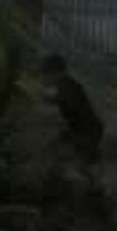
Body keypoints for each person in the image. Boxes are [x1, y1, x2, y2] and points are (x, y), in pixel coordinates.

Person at [39, 54, 104, 184]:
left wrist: (49, 98)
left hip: (87, 132)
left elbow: (67, 102)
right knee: (56, 150)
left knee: (83, 162)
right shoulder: (65, 85)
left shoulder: (67, 85)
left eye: (46, 74)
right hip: (82, 130)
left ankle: (96, 187)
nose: (44, 78)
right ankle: (57, 178)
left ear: (56, 73)